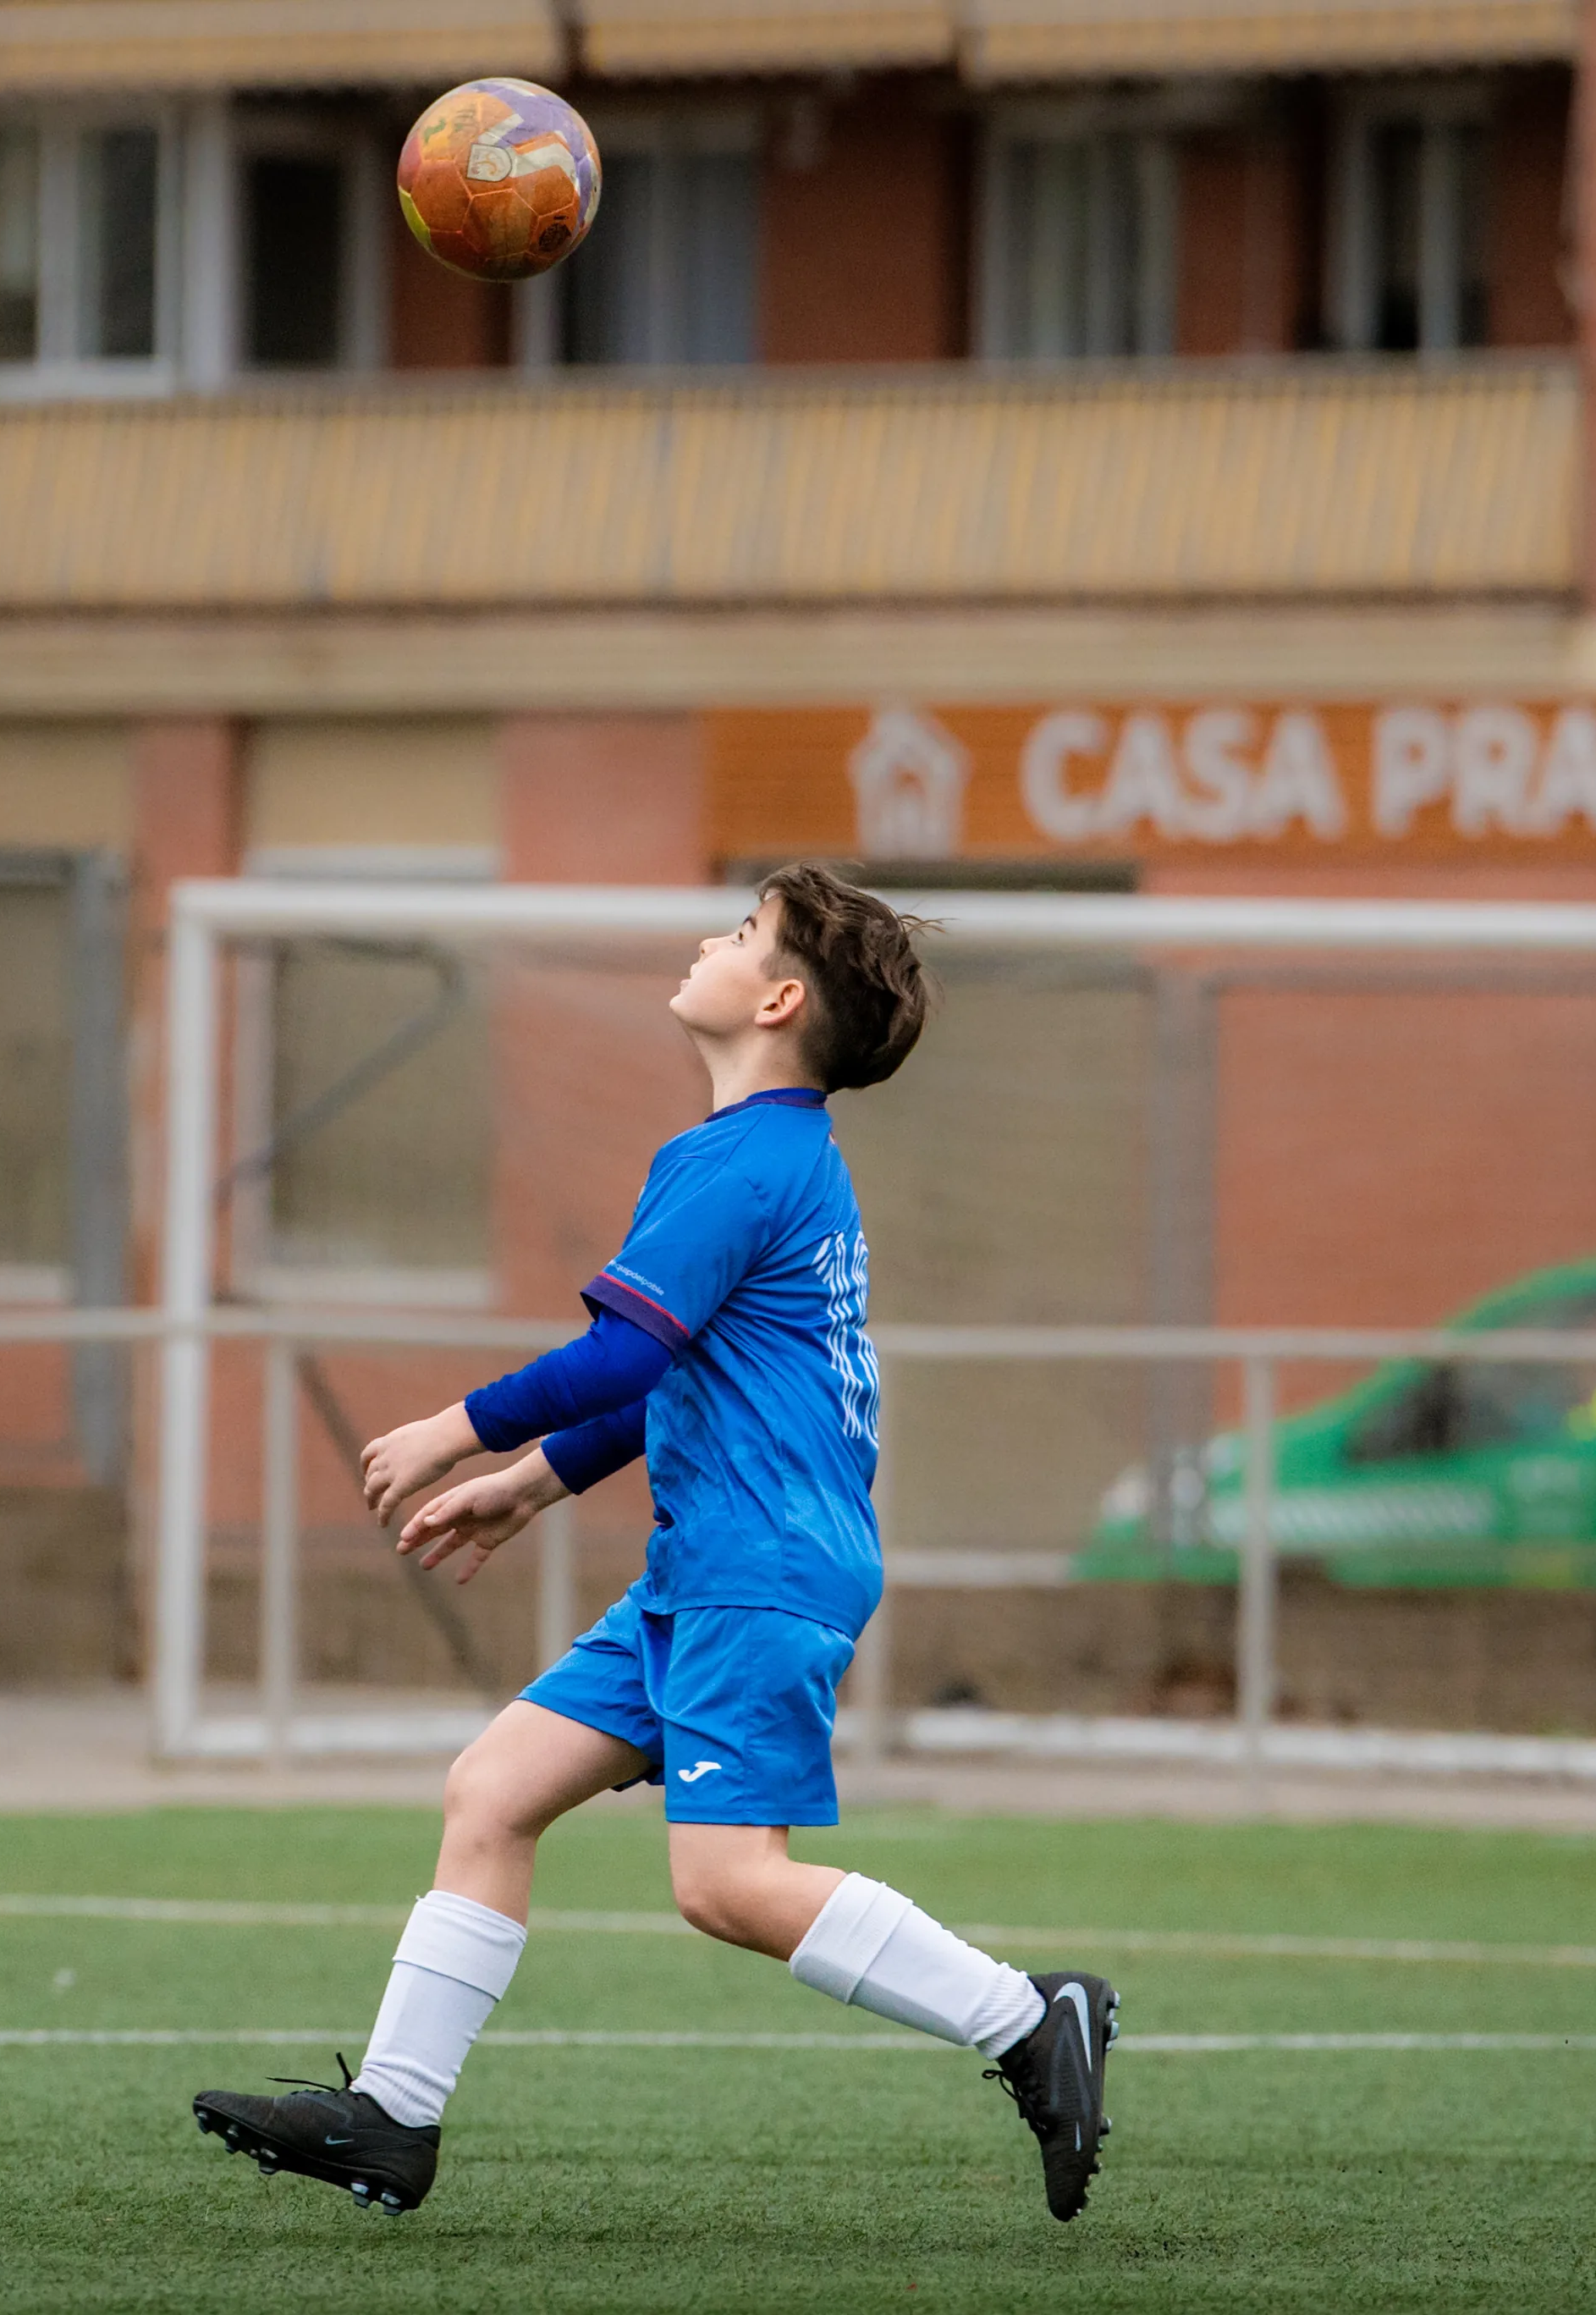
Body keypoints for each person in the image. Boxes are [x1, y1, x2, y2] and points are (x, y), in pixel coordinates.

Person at [191, 865, 1117, 2221]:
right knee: (494, 1789)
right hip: (715, 1563)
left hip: (760, 1563)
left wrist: (458, 1429)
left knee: (728, 1883)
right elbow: (676, 1368)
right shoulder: (770, 1157)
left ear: (781, 998)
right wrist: (538, 1481)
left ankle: (1030, 2022)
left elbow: (627, 1345)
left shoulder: (744, 1159)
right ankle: (393, 2117)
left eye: (741, 934)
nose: (709, 941)